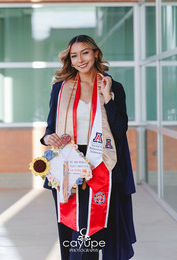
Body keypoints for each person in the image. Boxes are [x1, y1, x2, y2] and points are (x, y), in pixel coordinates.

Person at [40, 35, 136, 260]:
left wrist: (107, 99)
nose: (80, 59)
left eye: (84, 52)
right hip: (68, 165)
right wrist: (47, 139)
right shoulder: (60, 89)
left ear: (95, 53)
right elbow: (49, 128)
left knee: (90, 230)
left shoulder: (113, 87)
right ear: (69, 60)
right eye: (74, 55)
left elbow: (120, 130)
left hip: (101, 162)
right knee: (71, 227)